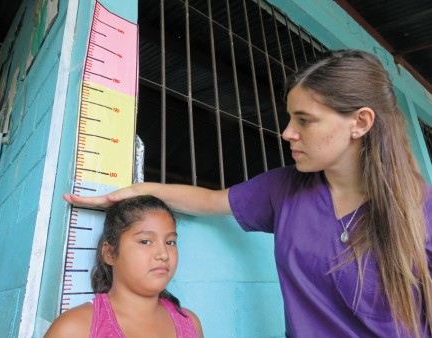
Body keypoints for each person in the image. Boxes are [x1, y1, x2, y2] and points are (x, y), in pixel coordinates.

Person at [64, 49, 432, 337]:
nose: (288, 132)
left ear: (360, 123)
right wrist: (129, 192)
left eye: (305, 120)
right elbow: (211, 200)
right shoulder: (284, 187)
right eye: (290, 118)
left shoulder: (423, 211)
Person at [46, 195, 204, 338]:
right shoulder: (74, 329)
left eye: (170, 242)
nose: (163, 254)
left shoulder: (190, 324)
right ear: (110, 254)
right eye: (145, 241)